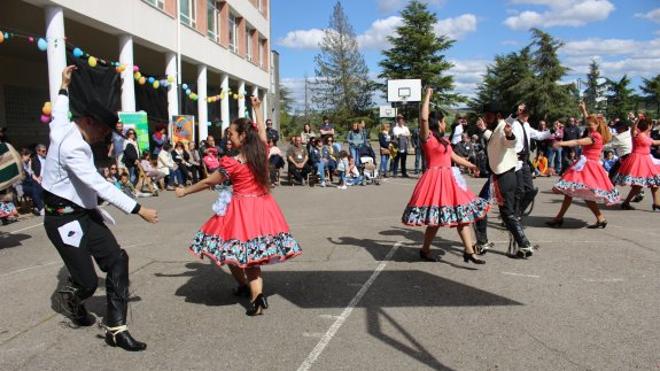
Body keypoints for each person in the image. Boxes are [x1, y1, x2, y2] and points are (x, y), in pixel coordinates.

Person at [41, 65, 158, 351]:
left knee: (117, 259)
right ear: (90, 122)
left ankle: (117, 329)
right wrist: (137, 209)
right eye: (104, 131)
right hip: (62, 221)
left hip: (84, 214)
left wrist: (63, 85)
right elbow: (98, 183)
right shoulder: (73, 147)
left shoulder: (63, 126)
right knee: (88, 283)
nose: (103, 137)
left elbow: (59, 110)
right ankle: (73, 296)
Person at [176, 96, 302, 316]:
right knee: (250, 255)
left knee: (231, 251)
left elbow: (209, 182)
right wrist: (257, 109)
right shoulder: (261, 151)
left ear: (242, 136)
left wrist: (184, 191)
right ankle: (254, 293)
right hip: (264, 207)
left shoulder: (232, 163)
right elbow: (261, 130)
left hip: (241, 210)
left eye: (231, 134)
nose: (228, 138)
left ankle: (251, 292)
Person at [402, 88, 488, 264]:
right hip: (434, 180)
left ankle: (469, 251)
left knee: (462, 214)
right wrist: (427, 96)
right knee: (435, 220)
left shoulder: (444, 141)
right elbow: (424, 118)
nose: (445, 124)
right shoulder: (427, 137)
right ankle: (425, 250)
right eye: (442, 121)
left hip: (450, 180)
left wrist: (473, 165)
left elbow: (454, 157)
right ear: (438, 122)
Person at [473, 103, 535, 258]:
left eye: (488, 116)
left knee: (496, 211)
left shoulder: (503, 127)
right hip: (499, 176)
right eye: (485, 116)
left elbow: (509, 141)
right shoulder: (496, 129)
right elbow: (495, 140)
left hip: (503, 177)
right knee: (498, 211)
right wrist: (483, 130)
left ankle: (522, 245)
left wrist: (510, 134)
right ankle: (522, 245)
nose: (486, 118)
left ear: (498, 115)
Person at [546, 102, 620, 229]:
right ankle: (600, 218)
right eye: (588, 125)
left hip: (587, 167)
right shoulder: (597, 132)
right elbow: (590, 121)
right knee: (579, 193)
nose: (589, 127)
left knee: (576, 193)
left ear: (597, 125)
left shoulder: (595, 136)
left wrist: (560, 143)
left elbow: (577, 141)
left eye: (591, 125)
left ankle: (559, 219)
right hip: (587, 165)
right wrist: (584, 110)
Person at [509, 105, 552, 219]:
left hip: (525, 161)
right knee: (519, 190)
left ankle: (518, 212)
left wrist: (552, 130)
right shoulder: (513, 123)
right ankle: (513, 214)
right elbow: (506, 123)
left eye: (527, 115)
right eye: (524, 114)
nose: (526, 117)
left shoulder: (527, 125)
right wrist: (515, 113)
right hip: (515, 160)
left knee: (530, 190)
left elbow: (539, 135)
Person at [612, 117, 660, 210]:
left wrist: (637, 121)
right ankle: (626, 203)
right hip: (639, 160)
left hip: (646, 160)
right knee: (639, 185)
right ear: (649, 126)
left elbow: (653, 141)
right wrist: (637, 121)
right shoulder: (638, 134)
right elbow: (634, 130)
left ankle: (657, 203)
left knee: (654, 183)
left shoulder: (644, 135)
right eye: (650, 125)